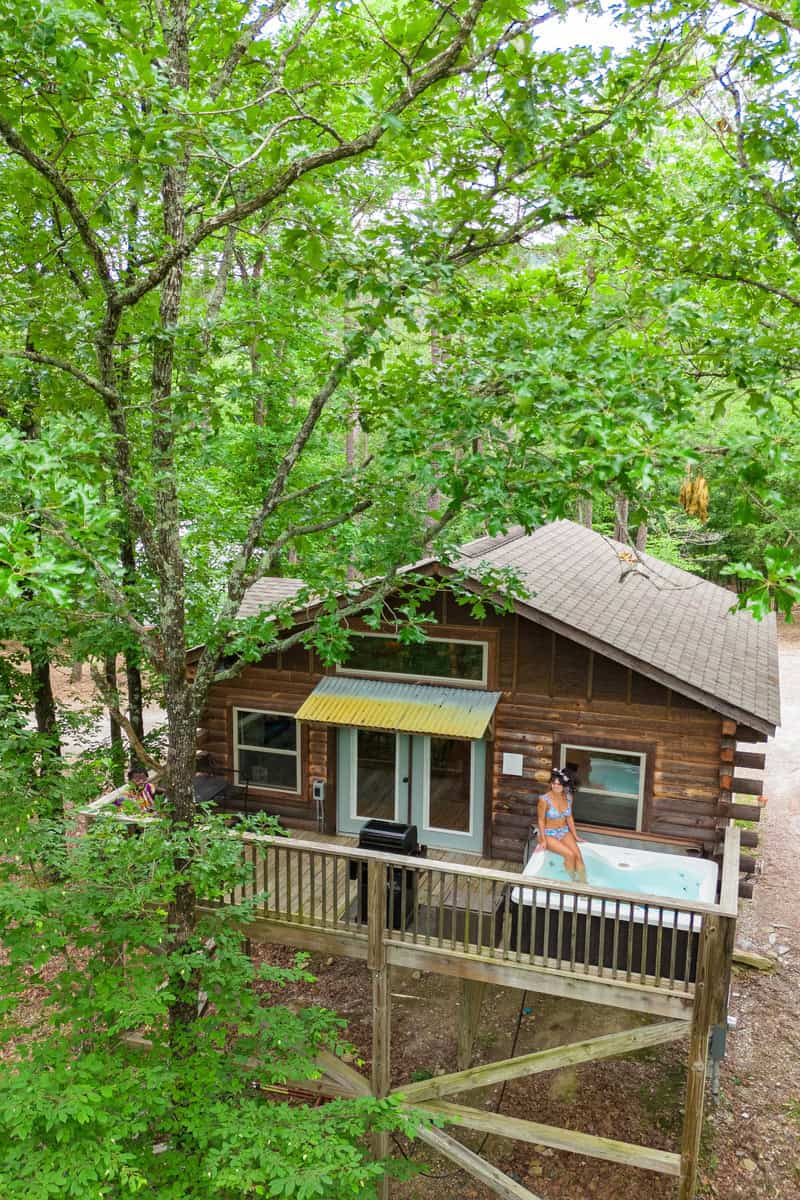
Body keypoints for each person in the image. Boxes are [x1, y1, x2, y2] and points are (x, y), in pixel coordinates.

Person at [537, 767, 585, 881]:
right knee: (569, 855)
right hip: (548, 834)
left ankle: (584, 884)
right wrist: (543, 840)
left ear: (564, 785)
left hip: (563, 831)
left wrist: (575, 835)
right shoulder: (544, 800)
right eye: (553, 783)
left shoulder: (568, 798)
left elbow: (569, 817)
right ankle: (571, 883)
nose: (555, 786)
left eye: (559, 784)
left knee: (578, 855)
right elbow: (541, 820)